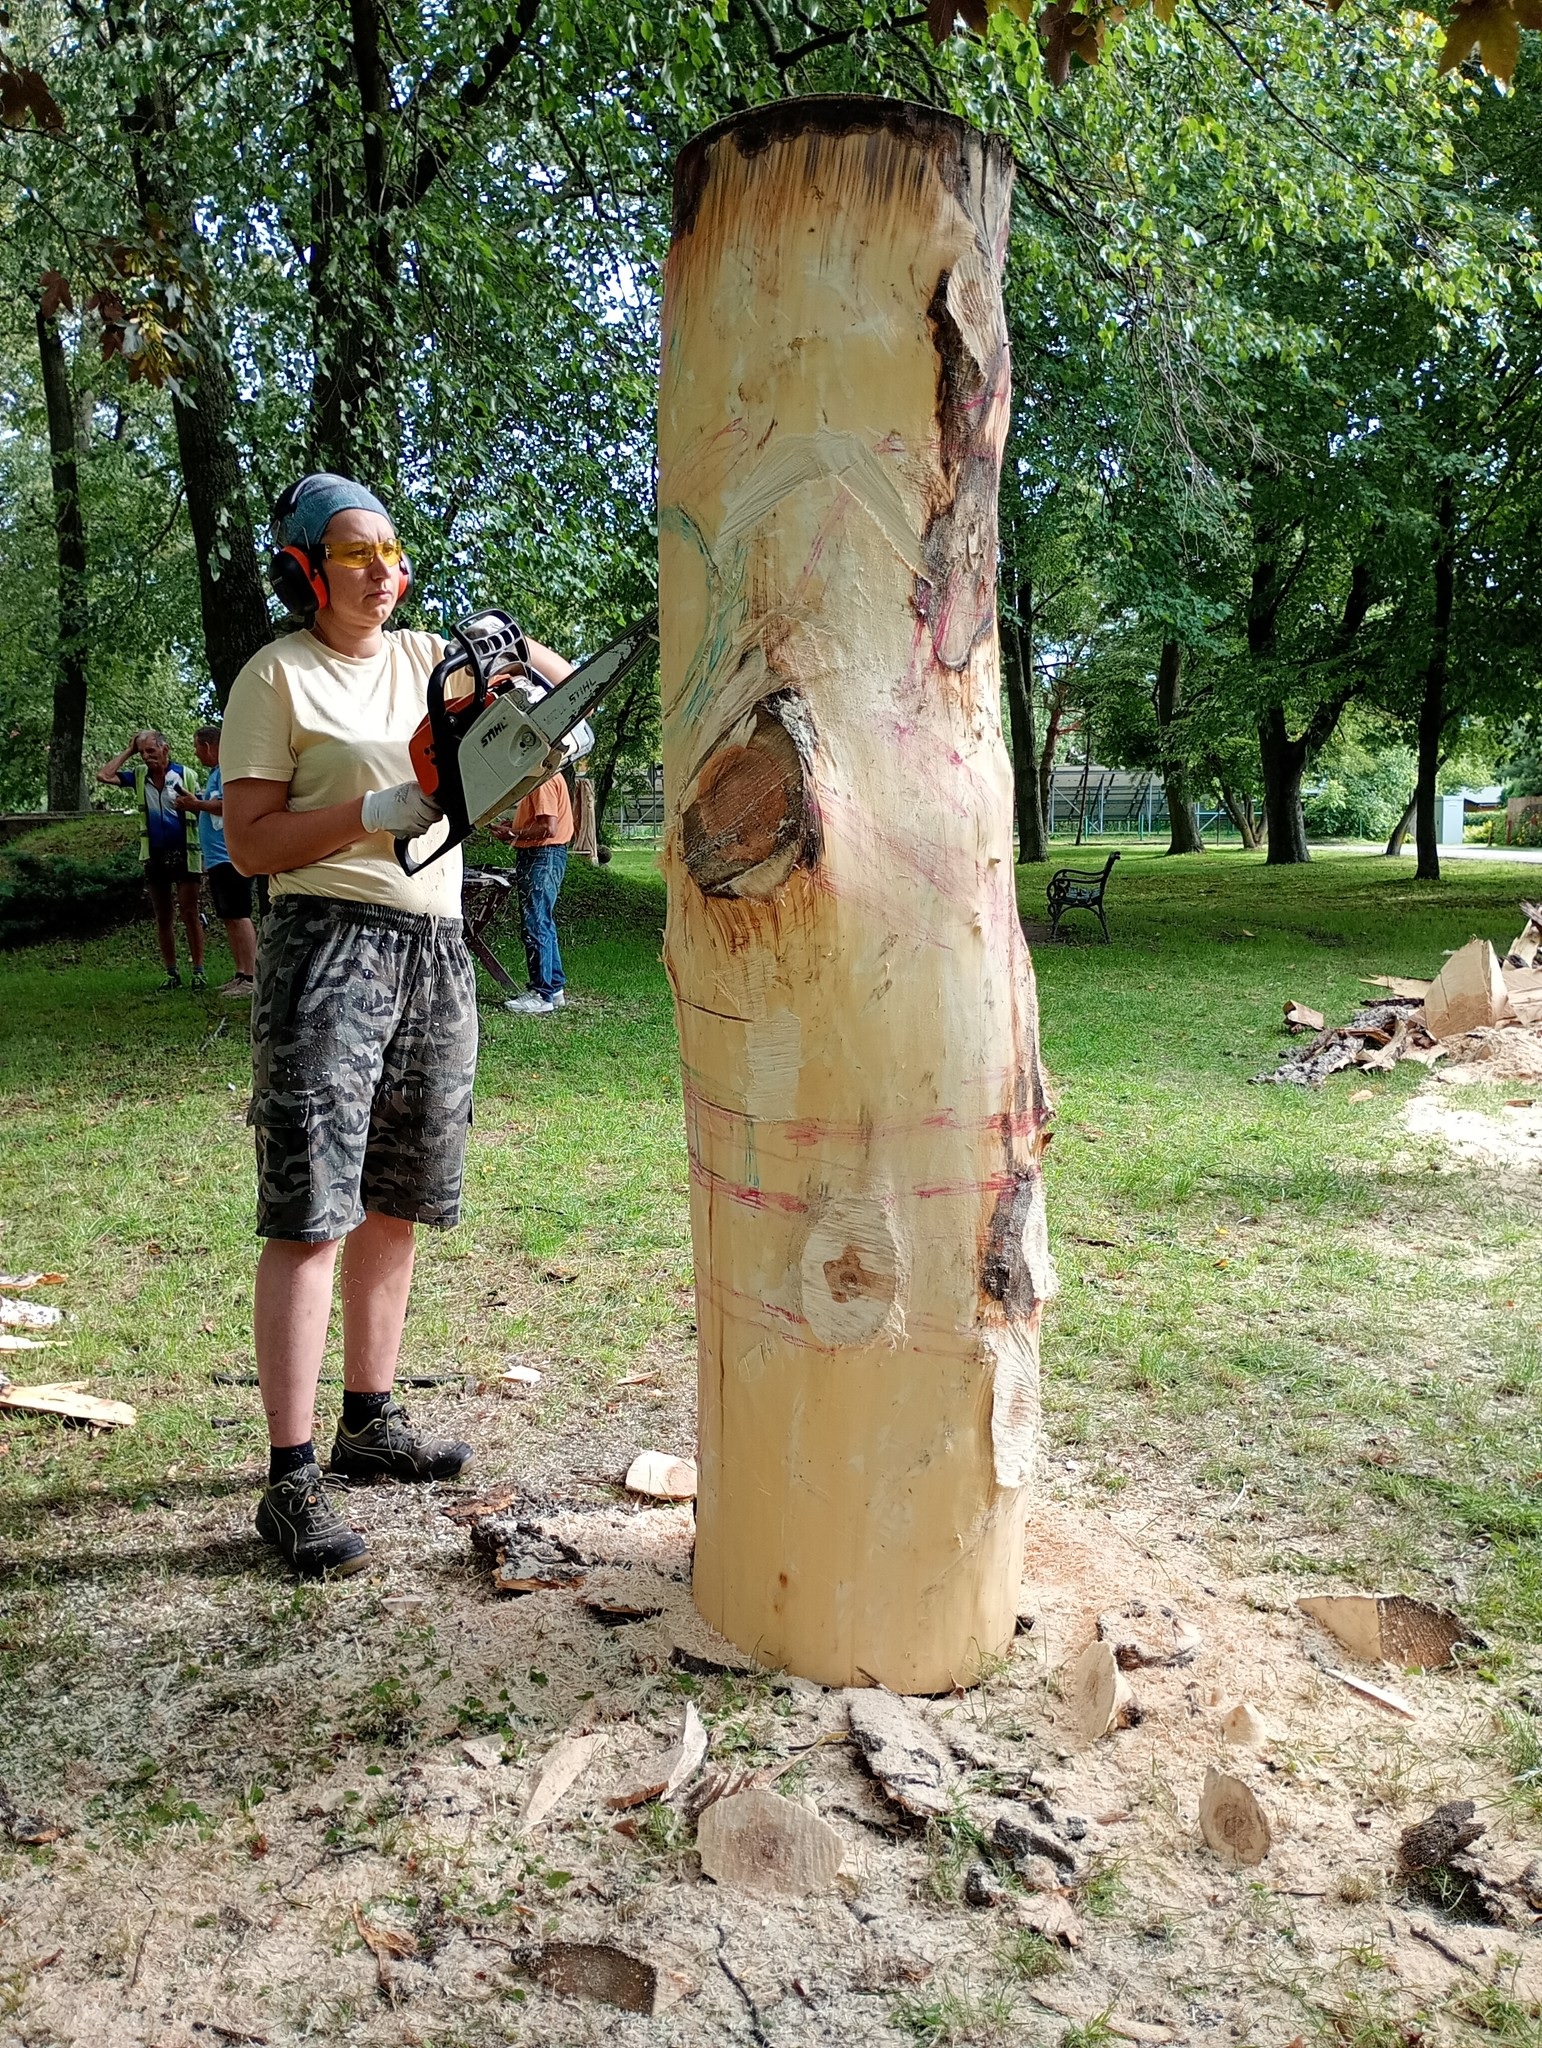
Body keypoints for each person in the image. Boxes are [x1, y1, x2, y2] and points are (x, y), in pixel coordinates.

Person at [221, 472, 572, 1578]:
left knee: (398, 1196)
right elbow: (250, 843)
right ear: (306, 570)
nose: (382, 570)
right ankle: (289, 1477)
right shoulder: (276, 675)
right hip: (325, 942)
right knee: (312, 1207)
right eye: (355, 553)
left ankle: (369, 1420)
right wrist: (374, 811)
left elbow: (566, 695)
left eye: (392, 552)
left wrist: (506, 645)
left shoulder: (430, 658)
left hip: (434, 944)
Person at [96, 729, 206, 990]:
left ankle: (198, 971)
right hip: (154, 854)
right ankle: (172, 973)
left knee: (189, 913)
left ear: (165, 749)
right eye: (142, 752)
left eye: (151, 751)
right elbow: (104, 775)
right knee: (163, 916)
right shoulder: (139, 776)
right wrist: (129, 750)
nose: (146, 757)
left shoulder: (185, 774)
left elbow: (202, 810)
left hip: (185, 852)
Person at [176, 725, 258, 998]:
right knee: (228, 916)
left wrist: (196, 805)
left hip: (231, 855)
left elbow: (228, 805)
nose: (195, 753)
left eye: (196, 747)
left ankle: (252, 977)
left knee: (239, 914)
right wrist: (195, 803)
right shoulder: (215, 774)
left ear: (208, 746)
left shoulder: (229, 771)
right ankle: (240, 973)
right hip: (216, 858)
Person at [493, 765, 574, 1016]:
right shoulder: (549, 776)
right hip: (545, 854)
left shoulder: (543, 780)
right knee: (542, 920)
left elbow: (548, 828)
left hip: (541, 855)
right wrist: (516, 826)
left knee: (536, 923)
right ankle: (554, 987)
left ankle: (542, 994)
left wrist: (513, 833)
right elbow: (540, 822)